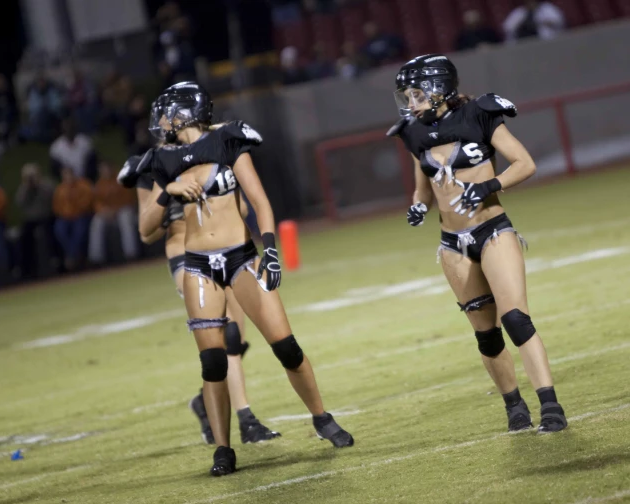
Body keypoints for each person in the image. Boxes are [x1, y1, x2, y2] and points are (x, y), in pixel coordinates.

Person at [140, 82, 354, 475]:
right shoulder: (162, 160)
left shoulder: (227, 138)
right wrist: (168, 189)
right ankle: (223, 449)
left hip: (240, 257)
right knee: (213, 362)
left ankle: (321, 417)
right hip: (197, 265)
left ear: (185, 113)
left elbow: (259, 201)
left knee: (286, 346)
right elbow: (146, 228)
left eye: (168, 113)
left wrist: (270, 249)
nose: (163, 122)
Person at [389, 54, 567, 434]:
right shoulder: (413, 132)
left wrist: (488, 186)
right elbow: (424, 186)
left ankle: (550, 405)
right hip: (452, 244)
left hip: (492, 230)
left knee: (516, 319)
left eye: (417, 94)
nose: (411, 102)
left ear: (440, 89)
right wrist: (419, 206)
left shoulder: (479, 112)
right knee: (486, 336)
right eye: (407, 95)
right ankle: (513, 406)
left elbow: (524, 163)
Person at [120, 153, 280, 446]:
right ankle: (246, 420)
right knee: (225, 334)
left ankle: (205, 400)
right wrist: (169, 200)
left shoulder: (215, 151)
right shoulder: (153, 164)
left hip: (228, 251)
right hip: (185, 254)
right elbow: (147, 233)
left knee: (235, 343)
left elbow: (242, 208)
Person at [88, 162, 139, 264]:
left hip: (123, 210)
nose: (104, 171)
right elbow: (97, 202)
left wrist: (114, 210)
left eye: (106, 169)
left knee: (125, 219)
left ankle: (131, 253)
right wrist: (102, 210)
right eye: (102, 170)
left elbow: (128, 199)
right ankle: (96, 258)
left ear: (112, 168)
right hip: (107, 213)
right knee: (96, 222)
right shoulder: (100, 184)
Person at [15, 163, 57, 278]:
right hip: (31, 219)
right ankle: (26, 267)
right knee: (24, 236)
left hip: (46, 216)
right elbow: (20, 203)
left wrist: (39, 186)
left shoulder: (46, 185)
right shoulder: (24, 188)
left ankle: (55, 260)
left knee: (50, 233)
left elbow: (52, 198)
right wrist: (27, 188)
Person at [52, 166, 93, 271]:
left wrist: (75, 211)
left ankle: (71, 258)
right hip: (66, 218)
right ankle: (74, 255)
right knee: (59, 230)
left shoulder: (83, 185)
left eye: (69, 174)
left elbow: (87, 202)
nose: (68, 177)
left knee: (79, 231)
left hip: (81, 215)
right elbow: (57, 207)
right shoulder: (60, 190)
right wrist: (66, 214)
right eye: (65, 175)